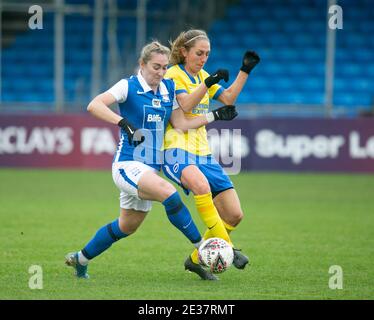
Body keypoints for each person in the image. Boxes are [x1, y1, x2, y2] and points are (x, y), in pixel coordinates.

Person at [65, 41, 238, 280]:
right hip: (128, 164)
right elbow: (94, 105)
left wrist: (214, 115)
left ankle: (79, 260)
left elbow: (181, 124)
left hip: (150, 170)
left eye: (165, 67)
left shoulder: (168, 87)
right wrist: (122, 122)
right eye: (156, 67)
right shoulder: (128, 86)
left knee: (127, 226)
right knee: (169, 192)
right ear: (142, 64)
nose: (160, 72)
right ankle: (202, 247)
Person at [162, 29, 260, 280]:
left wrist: (244, 71)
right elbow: (185, 107)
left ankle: (195, 260)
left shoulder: (204, 75)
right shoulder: (173, 74)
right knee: (200, 185)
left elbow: (227, 98)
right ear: (184, 52)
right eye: (199, 53)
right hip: (176, 149)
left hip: (203, 153)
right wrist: (207, 83)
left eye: (207, 54)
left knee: (234, 214)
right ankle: (230, 249)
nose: (204, 58)